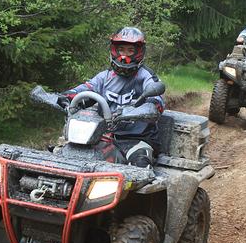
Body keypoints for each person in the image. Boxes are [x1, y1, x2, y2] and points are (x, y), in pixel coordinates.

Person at [57, 27, 165, 168]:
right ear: (114, 50)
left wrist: (133, 111)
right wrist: (67, 96)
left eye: (130, 51)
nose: (124, 56)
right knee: (66, 154)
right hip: (104, 136)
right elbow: (86, 89)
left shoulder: (146, 77)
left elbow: (156, 103)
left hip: (137, 139)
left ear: (139, 53)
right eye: (121, 50)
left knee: (140, 164)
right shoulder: (104, 77)